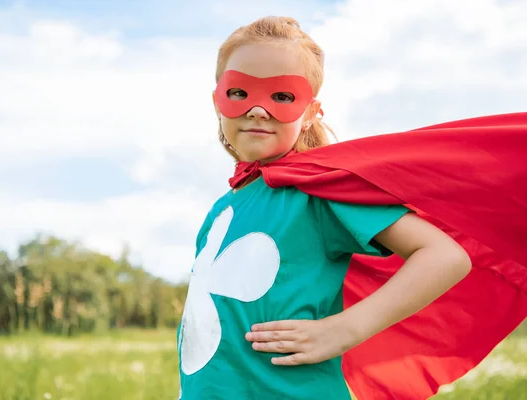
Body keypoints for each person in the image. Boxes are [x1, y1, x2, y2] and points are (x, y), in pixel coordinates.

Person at [177, 16, 527, 400]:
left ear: (310, 112)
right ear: (217, 100)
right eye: (240, 92)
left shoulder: (317, 190)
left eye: (282, 97)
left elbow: (445, 256)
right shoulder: (224, 205)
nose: (259, 110)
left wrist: (343, 330)